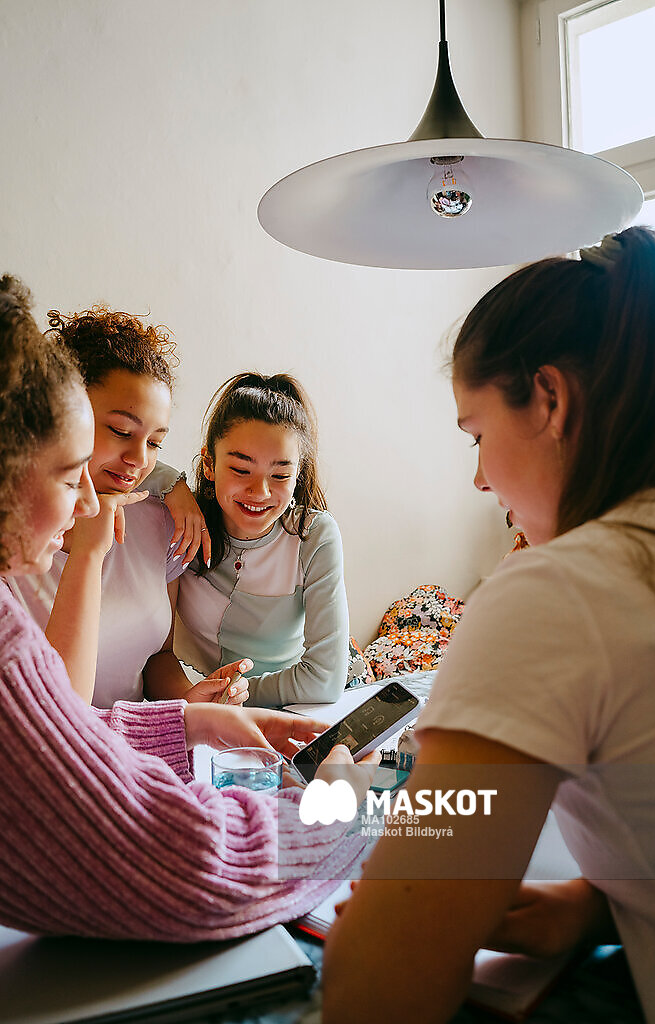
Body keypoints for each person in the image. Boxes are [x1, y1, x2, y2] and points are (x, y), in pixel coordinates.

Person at [323, 227, 655, 1024]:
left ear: (549, 400)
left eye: (477, 435)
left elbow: (375, 993)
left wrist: (354, 822)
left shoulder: (559, 590)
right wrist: (596, 906)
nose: (480, 479)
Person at [0, 273, 374, 941]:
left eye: (154, 442)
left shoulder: (165, 519)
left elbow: (54, 730)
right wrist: (337, 809)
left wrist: (189, 721)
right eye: (67, 470)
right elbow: (184, 866)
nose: (89, 499)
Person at [10, 306, 249, 708]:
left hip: (138, 742)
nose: (139, 459)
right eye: (121, 431)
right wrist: (89, 550)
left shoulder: (160, 519)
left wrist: (191, 705)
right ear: (61, 415)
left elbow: (156, 656)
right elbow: (56, 717)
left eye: (155, 442)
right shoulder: (16, 546)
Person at [174, 372, 350, 707]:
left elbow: (324, 681)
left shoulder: (313, 537)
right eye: (241, 470)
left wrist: (228, 696)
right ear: (209, 464)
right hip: (187, 699)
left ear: (298, 475)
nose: (260, 492)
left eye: (281, 475)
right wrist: (172, 484)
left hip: (285, 706)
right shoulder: (183, 521)